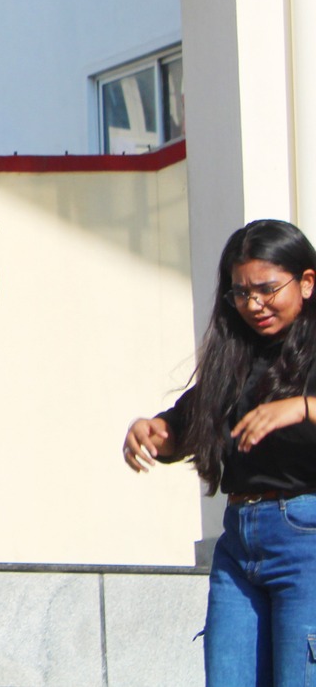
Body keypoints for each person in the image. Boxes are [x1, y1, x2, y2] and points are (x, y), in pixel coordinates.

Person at [124, 219, 316, 687]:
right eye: (241, 293)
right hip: (239, 541)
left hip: (306, 538)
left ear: (307, 282)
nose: (254, 304)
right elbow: (186, 424)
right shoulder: (235, 353)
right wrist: (155, 432)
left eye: (267, 289)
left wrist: (302, 407)